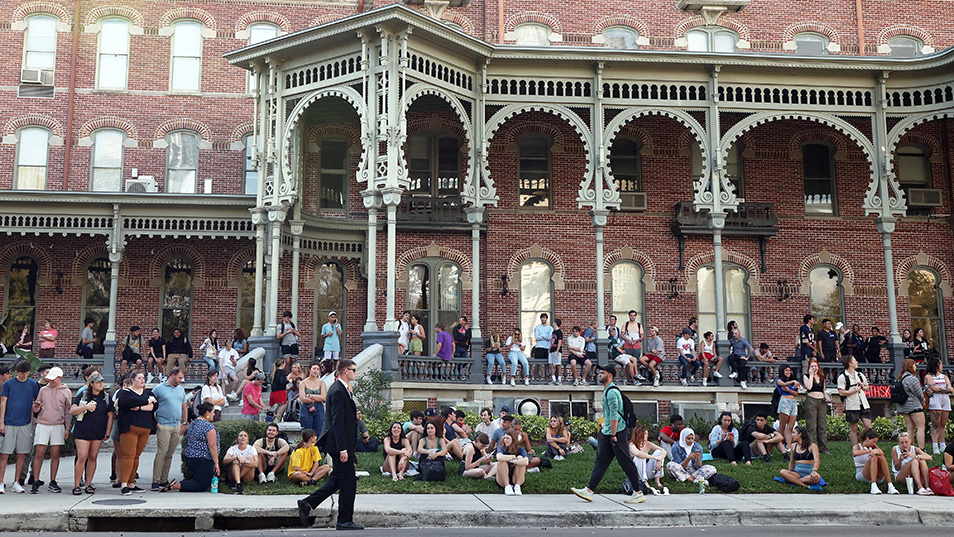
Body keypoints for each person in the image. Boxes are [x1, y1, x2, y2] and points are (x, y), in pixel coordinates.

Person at [298, 359, 362, 530]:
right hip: (340, 445)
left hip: (340, 443)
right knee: (349, 482)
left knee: (337, 481)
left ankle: (307, 503)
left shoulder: (342, 389)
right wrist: (343, 449)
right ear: (345, 371)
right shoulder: (339, 390)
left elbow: (343, 418)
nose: (355, 372)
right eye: (353, 370)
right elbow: (337, 422)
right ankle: (344, 520)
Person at [571, 364, 646, 504]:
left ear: (610, 375)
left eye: (602, 373)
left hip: (616, 432)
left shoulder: (612, 392)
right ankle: (589, 491)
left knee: (625, 461)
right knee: (601, 461)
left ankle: (638, 492)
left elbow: (614, 416)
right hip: (608, 432)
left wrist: (613, 435)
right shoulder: (606, 390)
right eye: (599, 373)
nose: (599, 375)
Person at [160, 402, 219, 492]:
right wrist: (216, 463)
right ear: (207, 412)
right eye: (213, 412)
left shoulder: (194, 423)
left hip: (191, 457)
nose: (214, 414)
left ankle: (180, 484)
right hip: (203, 459)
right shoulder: (208, 427)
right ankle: (176, 486)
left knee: (200, 479)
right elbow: (212, 445)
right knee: (202, 485)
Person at [30, 366, 72, 493]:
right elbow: (36, 407)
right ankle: (35, 480)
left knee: (55, 454)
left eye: (53, 379)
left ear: (60, 378)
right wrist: (36, 407)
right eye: (50, 379)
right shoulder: (43, 390)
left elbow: (68, 411)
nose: (51, 381)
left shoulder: (67, 391)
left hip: (58, 425)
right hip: (43, 423)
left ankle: (53, 481)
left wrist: (67, 428)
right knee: (39, 453)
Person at [70, 372, 113, 495]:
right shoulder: (83, 395)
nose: (101, 384)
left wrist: (107, 432)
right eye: (98, 382)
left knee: (93, 457)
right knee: (82, 456)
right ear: (91, 383)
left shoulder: (106, 397)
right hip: (82, 430)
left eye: (102, 382)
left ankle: (89, 484)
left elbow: (110, 416)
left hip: (98, 430)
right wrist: (86, 407)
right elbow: (72, 410)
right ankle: (77, 485)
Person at [0, 360, 39, 494]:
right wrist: (2, 422)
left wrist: (31, 418)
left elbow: (34, 402)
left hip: (25, 423)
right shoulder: (8, 384)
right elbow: (3, 403)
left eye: (27, 373)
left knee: (22, 453)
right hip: (9, 422)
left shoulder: (33, 384)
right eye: (23, 373)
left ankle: (16, 482)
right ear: (17, 372)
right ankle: (0, 482)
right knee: (5, 454)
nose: (25, 376)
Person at [116, 370, 157, 495]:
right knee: (128, 455)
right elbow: (127, 402)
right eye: (139, 378)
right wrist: (146, 402)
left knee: (136, 456)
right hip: (129, 428)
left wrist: (139, 407)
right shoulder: (125, 392)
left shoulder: (148, 393)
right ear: (132, 380)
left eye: (143, 378)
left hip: (145, 428)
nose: (142, 380)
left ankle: (131, 482)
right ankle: (123, 483)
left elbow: (154, 406)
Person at [150, 367, 187, 491]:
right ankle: (155, 480)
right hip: (163, 424)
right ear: (172, 375)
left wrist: (184, 422)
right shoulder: (159, 389)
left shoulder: (181, 390)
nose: (181, 380)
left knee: (170, 454)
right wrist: (154, 421)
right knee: (162, 452)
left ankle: (163, 479)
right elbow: (151, 405)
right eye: (179, 378)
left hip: (177, 425)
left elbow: (184, 407)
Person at [837, 354, 872, 448]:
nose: (857, 362)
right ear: (850, 363)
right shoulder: (843, 377)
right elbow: (841, 392)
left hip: (864, 404)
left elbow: (867, 387)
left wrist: (862, 386)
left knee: (868, 427)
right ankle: (855, 448)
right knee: (854, 428)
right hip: (852, 405)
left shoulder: (860, 375)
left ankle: (867, 445)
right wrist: (854, 390)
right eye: (855, 360)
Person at [852, 429, 899, 495]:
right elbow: (855, 453)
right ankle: (873, 486)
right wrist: (869, 451)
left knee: (881, 457)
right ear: (867, 439)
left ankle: (890, 485)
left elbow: (881, 452)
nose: (874, 444)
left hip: (877, 475)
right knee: (873, 458)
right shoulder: (857, 447)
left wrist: (875, 451)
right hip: (863, 474)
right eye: (873, 441)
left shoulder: (873, 446)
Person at [896, 358, 927, 449]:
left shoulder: (900, 378)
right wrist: (923, 400)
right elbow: (919, 393)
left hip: (904, 406)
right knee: (920, 427)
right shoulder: (912, 379)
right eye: (914, 365)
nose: (915, 366)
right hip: (914, 405)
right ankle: (921, 448)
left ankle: (910, 448)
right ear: (910, 366)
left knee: (910, 428)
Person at [779, 426, 822, 490]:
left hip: (809, 473)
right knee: (783, 472)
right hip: (797, 473)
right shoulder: (793, 446)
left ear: (800, 434)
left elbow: (817, 460)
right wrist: (790, 472)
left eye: (793, 433)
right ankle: (806, 486)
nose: (792, 435)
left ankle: (793, 480)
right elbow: (791, 462)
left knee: (817, 478)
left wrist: (814, 471)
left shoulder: (812, 446)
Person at [925, 356, 952, 455]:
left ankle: (942, 444)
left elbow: (950, 387)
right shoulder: (929, 376)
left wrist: (945, 389)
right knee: (935, 423)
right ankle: (935, 446)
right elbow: (934, 388)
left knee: (943, 423)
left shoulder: (944, 376)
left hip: (945, 399)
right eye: (940, 363)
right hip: (935, 399)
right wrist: (946, 389)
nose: (942, 365)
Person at [802, 359, 830, 455]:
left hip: (821, 401)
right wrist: (811, 375)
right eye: (812, 366)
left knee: (822, 425)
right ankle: (812, 446)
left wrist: (827, 398)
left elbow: (823, 391)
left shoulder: (821, 377)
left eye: (815, 366)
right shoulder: (806, 376)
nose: (814, 368)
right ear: (809, 367)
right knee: (811, 425)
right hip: (811, 401)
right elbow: (809, 387)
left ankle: (823, 448)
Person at [629, 424, 666, 492]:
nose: (647, 435)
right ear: (640, 434)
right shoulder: (631, 444)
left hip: (649, 471)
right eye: (645, 433)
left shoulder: (648, 444)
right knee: (640, 457)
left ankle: (657, 479)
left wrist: (659, 460)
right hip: (637, 473)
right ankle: (644, 481)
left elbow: (664, 451)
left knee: (659, 452)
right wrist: (655, 458)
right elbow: (638, 454)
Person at [492, 429, 528, 496]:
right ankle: (507, 486)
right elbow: (499, 457)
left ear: (513, 439)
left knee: (521, 459)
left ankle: (517, 486)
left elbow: (526, 462)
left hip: (516, 477)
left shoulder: (520, 449)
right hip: (503, 479)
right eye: (504, 438)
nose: (505, 440)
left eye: (507, 438)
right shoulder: (502, 448)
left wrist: (514, 461)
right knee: (501, 462)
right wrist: (513, 457)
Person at [775, 364, 800, 450]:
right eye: (786, 370)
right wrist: (793, 382)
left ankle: (789, 447)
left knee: (790, 426)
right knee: (782, 426)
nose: (789, 372)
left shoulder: (792, 382)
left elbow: (796, 393)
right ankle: (779, 444)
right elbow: (783, 384)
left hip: (793, 402)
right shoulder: (779, 380)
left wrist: (789, 389)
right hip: (785, 401)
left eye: (790, 370)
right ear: (782, 371)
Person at [299, 362, 327, 435]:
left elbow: (324, 398)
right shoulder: (303, 383)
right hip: (306, 407)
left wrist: (310, 396)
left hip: (319, 407)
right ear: (309, 370)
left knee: (318, 431)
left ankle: (316, 446)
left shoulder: (321, 383)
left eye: (318, 369)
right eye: (314, 369)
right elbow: (302, 398)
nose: (316, 371)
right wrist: (318, 397)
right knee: (307, 432)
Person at [270, 355, 292, 422]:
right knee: (280, 411)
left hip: (273, 393)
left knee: (274, 411)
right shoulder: (281, 372)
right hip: (280, 393)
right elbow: (282, 382)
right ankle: (277, 424)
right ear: (282, 364)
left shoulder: (274, 372)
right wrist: (288, 381)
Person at [547, 318, 564, 385]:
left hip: (557, 350)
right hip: (552, 350)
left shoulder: (559, 332)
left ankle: (559, 379)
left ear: (556, 323)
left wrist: (557, 350)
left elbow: (560, 341)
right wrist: (550, 349)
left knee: (558, 364)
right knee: (551, 364)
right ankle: (553, 379)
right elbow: (552, 341)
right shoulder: (553, 332)